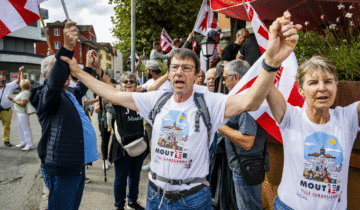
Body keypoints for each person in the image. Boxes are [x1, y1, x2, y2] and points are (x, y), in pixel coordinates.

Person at [60, 12, 301, 209]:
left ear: (196, 75)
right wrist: (79, 71)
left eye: (186, 68)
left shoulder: (209, 101)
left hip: (193, 199)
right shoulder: (157, 99)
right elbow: (113, 94)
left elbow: (250, 100)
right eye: (174, 67)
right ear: (168, 73)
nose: (179, 72)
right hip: (156, 196)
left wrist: (271, 61)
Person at [266, 55, 358, 210]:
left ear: (336, 87)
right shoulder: (291, 117)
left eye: (328, 81)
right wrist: (273, 58)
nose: (322, 88)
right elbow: (266, 85)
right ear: (301, 91)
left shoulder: (347, 118)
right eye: (313, 82)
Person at [29, 21, 99, 210]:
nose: (65, 71)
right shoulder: (45, 95)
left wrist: (90, 68)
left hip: (76, 165)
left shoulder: (69, 93)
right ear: (46, 76)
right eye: (60, 67)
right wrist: (67, 49)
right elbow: (54, 84)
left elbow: (82, 87)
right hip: (62, 168)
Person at [218, 59, 269, 210]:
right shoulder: (245, 98)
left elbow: (247, 141)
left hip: (246, 168)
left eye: (225, 78)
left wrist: (219, 125)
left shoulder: (246, 102)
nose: (224, 82)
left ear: (236, 77)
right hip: (245, 166)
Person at [108, 72, 146, 210]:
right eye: (125, 82)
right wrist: (97, 69)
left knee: (135, 176)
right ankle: (119, 206)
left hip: (139, 145)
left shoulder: (140, 98)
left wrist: (167, 75)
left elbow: (154, 87)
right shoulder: (117, 100)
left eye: (131, 81)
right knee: (121, 178)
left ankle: (132, 202)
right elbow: (107, 85)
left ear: (136, 85)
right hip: (122, 147)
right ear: (121, 86)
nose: (128, 83)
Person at [8, 72, 34, 151]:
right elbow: (23, 80)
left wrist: (13, 100)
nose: (19, 83)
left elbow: (23, 104)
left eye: (20, 83)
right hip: (19, 112)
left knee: (25, 129)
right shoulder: (23, 91)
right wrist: (21, 72)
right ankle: (23, 142)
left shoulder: (26, 92)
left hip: (23, 112)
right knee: (20, 128)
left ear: (22, 85)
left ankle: (29, 144)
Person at [0, 67, 22, 147]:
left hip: (6, 110)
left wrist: (20, 72)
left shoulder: (9, 86)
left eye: (5, 80)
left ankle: (6, 141)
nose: (4, 82)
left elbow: (18, 81)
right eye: (2, 81)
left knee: (7, 126)